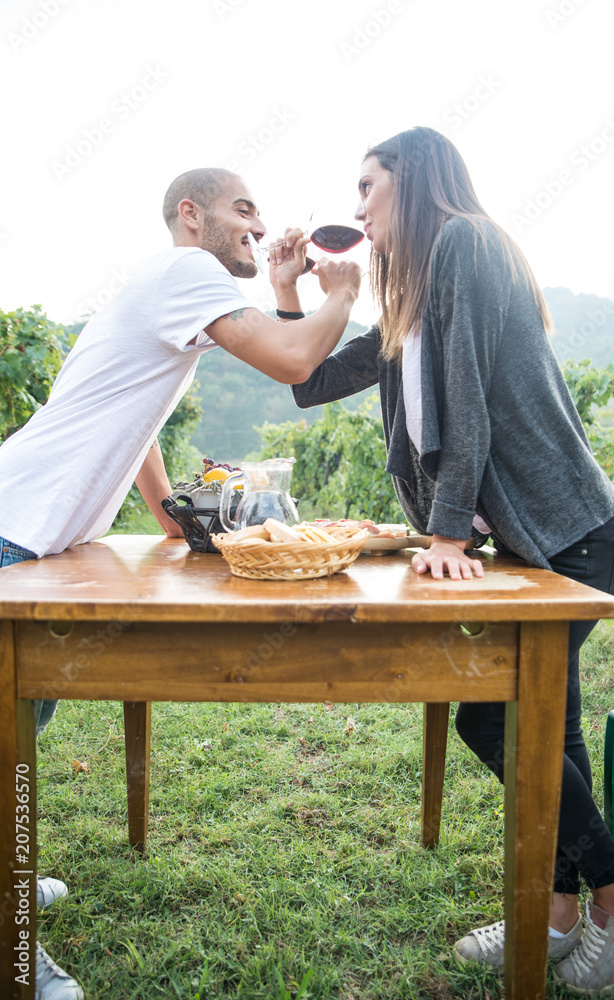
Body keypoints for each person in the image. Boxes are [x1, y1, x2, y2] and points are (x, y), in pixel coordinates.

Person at [0, 166, 360, 999]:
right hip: (13, 533)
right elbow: (292, 359)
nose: (258, 220)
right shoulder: (185, 271)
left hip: (26, 528)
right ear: (189, 215)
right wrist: (339, 290)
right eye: (243, 208)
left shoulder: (164, 293)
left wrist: (166, 511)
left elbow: (133, 411)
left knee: (22, 728)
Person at [288, 127, 614, 994]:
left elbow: (467, 403)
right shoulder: (410, 287)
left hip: (572, 531)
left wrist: (445, 536)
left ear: (416, 179)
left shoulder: (467, 241)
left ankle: (612, 905)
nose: (356, 207)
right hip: (530, 541)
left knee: (491, 718)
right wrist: (294, 296)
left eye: (368, 186)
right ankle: (550, 917)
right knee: (555, 728)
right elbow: (312, 380)